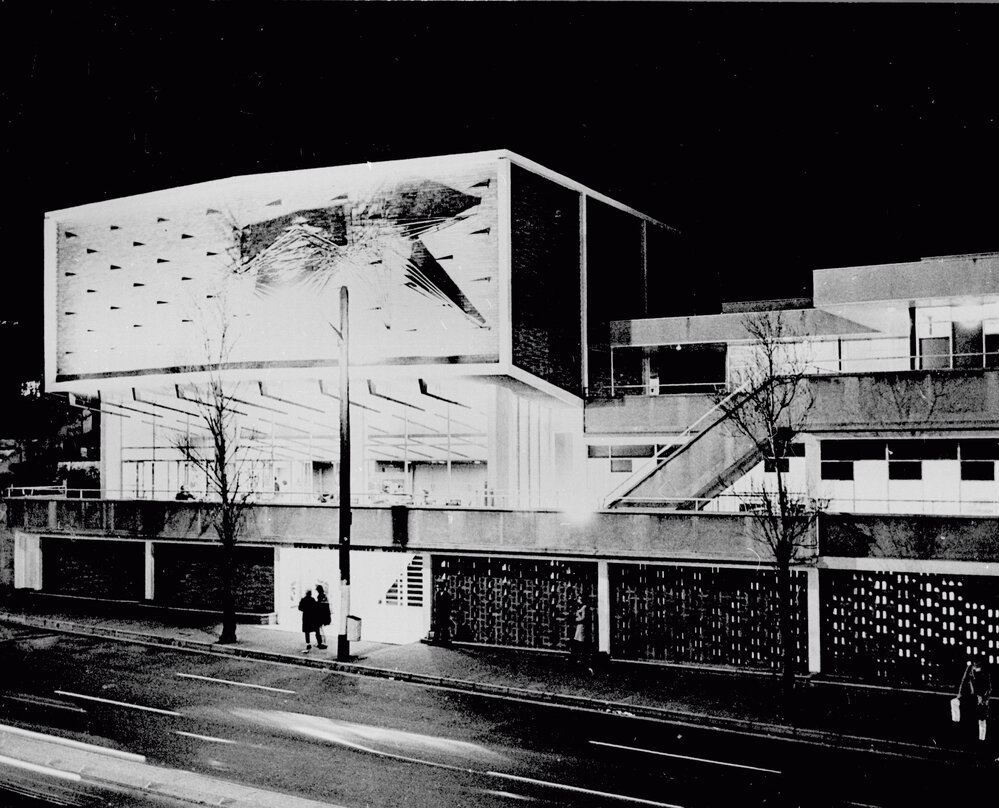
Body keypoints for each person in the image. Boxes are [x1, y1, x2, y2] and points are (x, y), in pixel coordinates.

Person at [957, 655, 992, 745]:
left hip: (981, 699)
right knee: (973, 719)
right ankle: (974, 740)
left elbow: (988, 688)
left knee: (981, 719)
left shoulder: (984, 673)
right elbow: (964, 681)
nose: (975, 667)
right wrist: (960, 694)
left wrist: (983, 699)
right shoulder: (970, 671)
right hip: (973, 697)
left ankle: (981, 740)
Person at [569, 594, 594, 674]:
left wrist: (576, 619)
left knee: (580, 642)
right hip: (579, 627)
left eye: (579, 599)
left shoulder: (584, 607)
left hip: (581, 627)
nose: (578, 600)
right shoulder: (580, 607)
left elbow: (583, 618)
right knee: (577, 641)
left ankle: (581, 661)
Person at [433, 579, 453, 645]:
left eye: (439, 587)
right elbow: (436, 604)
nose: (438, 588)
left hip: (444, 614)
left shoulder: (447, 595)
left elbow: (449, 605)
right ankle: (435, 641)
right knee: (437, 627)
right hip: (439, 614)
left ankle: (444, 641)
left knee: (445, 628)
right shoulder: (437, 594)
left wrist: (448, 614)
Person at [314, 585, 331, 649]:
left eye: (317, 590)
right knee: (320, 628)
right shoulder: (325, 596)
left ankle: (321, 642)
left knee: (318, 629)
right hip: (324, 615)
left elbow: (319, 606)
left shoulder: (320, 596)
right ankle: (322, 642)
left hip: (320, 615)